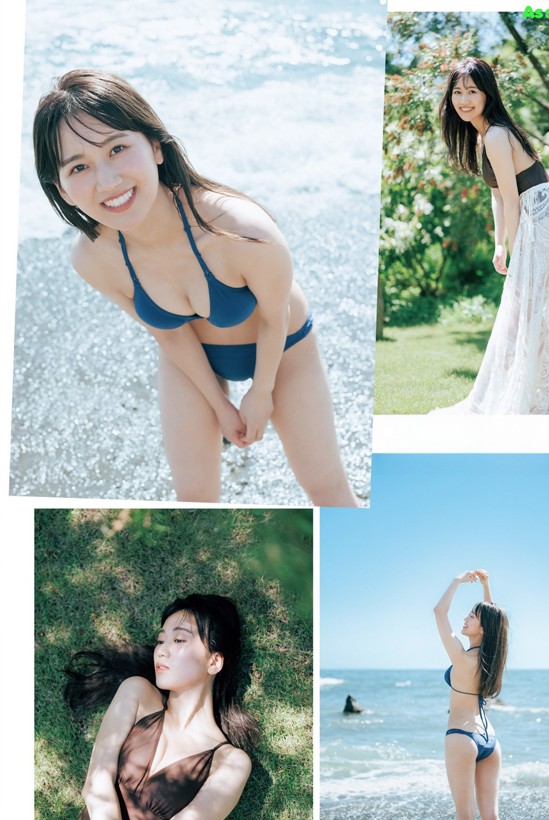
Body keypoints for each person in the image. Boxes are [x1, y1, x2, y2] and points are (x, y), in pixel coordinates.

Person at [33, 70, 358, 504]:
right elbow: (167, 330)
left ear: (155, 146)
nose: (107, 180)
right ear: (63, 190)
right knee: (194, 501)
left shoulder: (241, 230)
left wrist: (260, 394)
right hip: (189, 360)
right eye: (79, 167)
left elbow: (273, 314)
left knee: (327, 489)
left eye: (117, 148)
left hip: (284, 348)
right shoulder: (94, 258)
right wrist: (220, 406)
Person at [35, 594, 258, 820]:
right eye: (161, 640)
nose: (162, 649)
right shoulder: (137, 693)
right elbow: (95, 786)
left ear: (214, 661)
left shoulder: (230, 763)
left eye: (179, 640)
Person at [431, 57, 549, 414]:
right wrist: (500, 244)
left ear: (488, 94)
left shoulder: (498, 134)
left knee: (524, 311)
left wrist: (518, 252)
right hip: (543, 218)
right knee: (526, 312)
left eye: (472, 91)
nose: (464, 99)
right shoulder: (484, 136)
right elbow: (498, 194)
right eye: (457, 92)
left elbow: (514, 202)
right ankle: (533, 396)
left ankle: (537, 399)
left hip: (548, 221)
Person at [433, 570, 509, 820]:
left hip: (461, 737)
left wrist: (457, 581)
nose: (465, 618)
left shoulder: (462, 659)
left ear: (482, 627)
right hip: (489, 739)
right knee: (491, 817)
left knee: (465, 815)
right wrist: (486, 588)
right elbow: (494, 620)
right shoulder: (492, 656)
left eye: (472, 616)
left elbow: (438, 612)